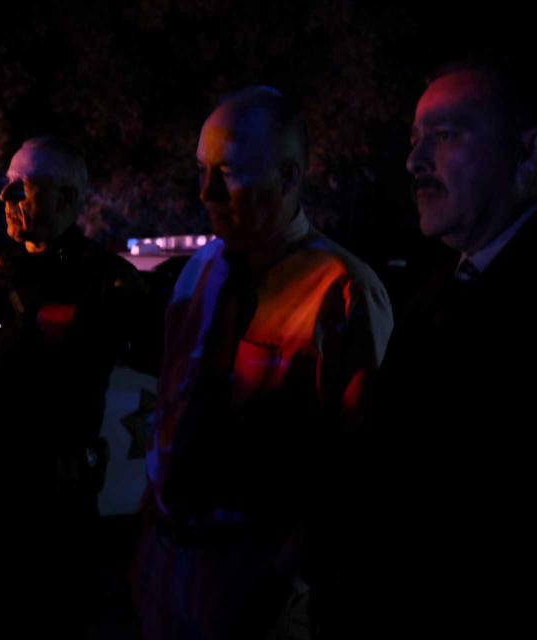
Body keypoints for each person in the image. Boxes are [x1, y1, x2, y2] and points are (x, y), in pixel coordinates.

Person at [131, 86, 394, 639]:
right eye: (201, 169)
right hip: (170, 557)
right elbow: (174, 404)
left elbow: (359, 461)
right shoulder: (201, 270)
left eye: (226, 172)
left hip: (258, 574)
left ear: (289, 175)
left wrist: (281, 583)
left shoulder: (340, 291)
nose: (205, 192)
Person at [339, 59, 537, 638]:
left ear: (529, 152)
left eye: (445, 137)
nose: (414, 162)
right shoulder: (439, 292)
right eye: (416, 139)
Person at [0, 137, 148, 639]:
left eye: (23, 188)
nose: (6, 198)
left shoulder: (105, 278)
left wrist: (76, 322)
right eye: (6, 186)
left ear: (67, 198)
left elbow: (150, 343)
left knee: (55, 620)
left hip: (58, 500)